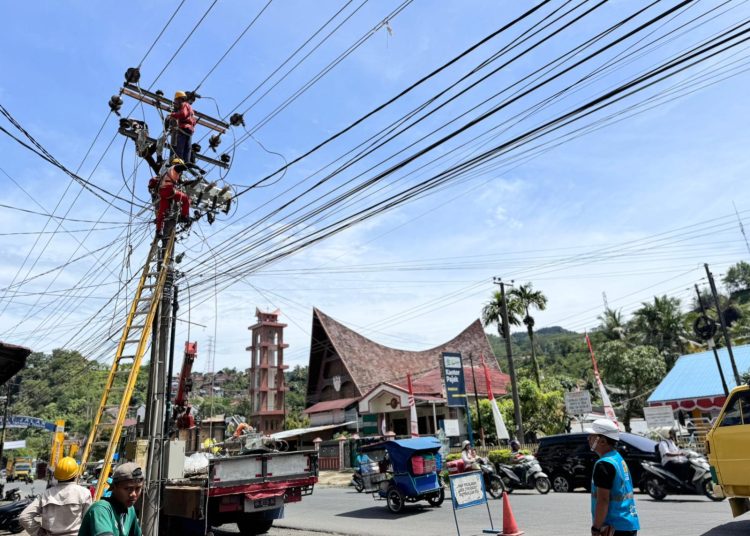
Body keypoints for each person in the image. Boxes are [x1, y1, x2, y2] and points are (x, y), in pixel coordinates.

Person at [589, 419, 640, 536]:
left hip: (613, 527)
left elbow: (603, 500)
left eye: (592, 436)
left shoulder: (604, 464)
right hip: (627, 523)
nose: (588, 439)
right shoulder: (617, 458)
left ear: (602, 441)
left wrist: (596, 528)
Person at [19, 456, 92, 536]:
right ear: (76, 475)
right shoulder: (84, 493)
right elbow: (88, 522)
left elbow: (24, 517)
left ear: (56, 475)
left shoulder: (46, 495)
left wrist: (40, 533)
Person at [78, 463, 144, 536]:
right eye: (128, 489)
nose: (133, 494)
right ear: (114, 487)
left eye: (138, 488)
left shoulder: (130, 509)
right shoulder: (100, 509)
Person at [152, 158, 191, 235]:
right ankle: (184, 216)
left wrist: (194, 181)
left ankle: (159, 231)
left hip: (162, 193)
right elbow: (186, 166)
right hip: (169, 190)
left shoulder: (168, 172)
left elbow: (182, 183)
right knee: (186, 199)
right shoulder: (174, 169)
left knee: (161, 213)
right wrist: (195, 167)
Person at [169, 91, 197, 163]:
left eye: (176, 100)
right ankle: (187, 161)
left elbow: (183, 114)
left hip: (184, 127)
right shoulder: (190, 108)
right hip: (190, 129)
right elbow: (194, 121)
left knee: (180, 145)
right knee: (187, 147)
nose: (176, 102)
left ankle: (179, 160)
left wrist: (173, 115)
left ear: (180, 99)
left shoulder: (184, 104)